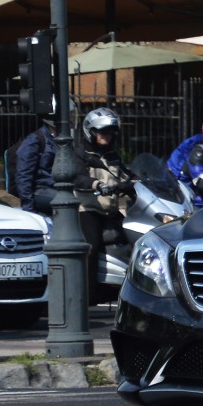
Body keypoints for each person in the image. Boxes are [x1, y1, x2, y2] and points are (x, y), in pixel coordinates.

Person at [72, 108, 135, 297]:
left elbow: (126, 173)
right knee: (91, 247)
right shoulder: (80, 154)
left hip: (111, 210)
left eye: (110, 131)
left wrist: (142, 182)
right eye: (102, 131)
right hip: (89, 209)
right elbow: (77, 177)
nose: (106, 135)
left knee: (136, 239)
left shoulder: (112, 155)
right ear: (90, 131)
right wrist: (96, 183)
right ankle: (87, 295)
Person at [15, 119, 56, 214]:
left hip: (58, 188)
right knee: (68, 201)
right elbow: (23, 174)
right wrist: (29, 208)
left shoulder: (62, 138)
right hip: (42, 189)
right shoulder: (35, 139)